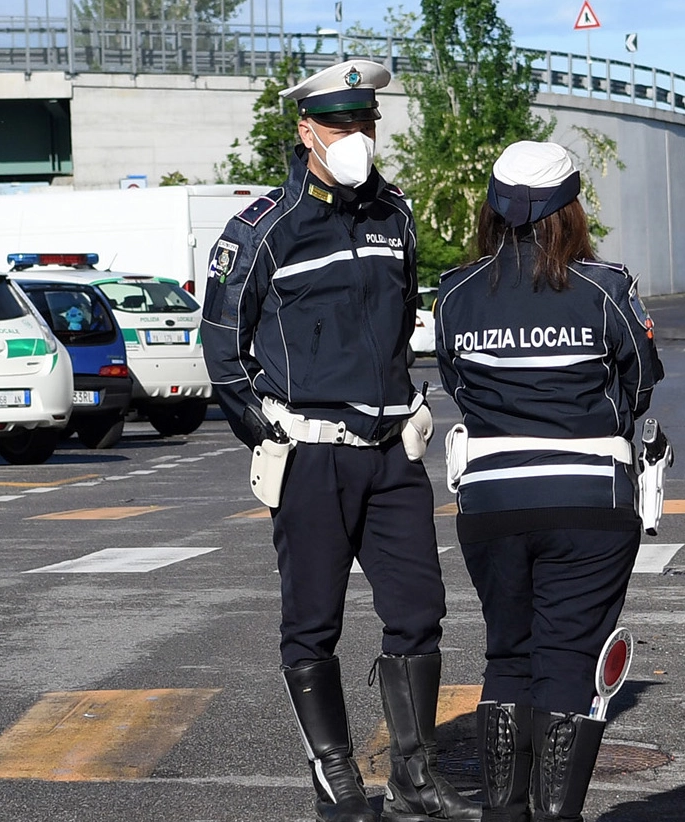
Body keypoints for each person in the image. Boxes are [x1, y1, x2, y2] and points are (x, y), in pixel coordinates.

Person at [202, 60, 479, 822]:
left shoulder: (395, 215)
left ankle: (414, 778)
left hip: (393, 452)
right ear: (305, 131)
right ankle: (335, 779)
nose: (356, 136)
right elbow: (223, 350)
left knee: (419, 611)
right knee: (312, 621)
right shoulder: (261, 230)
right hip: (311, 454)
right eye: (339, 123)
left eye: (365, 122)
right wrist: (268, 436)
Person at [432, 140, 665, 822]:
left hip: (490, 500)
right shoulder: (605, 287)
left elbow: (457, 384)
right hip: (589, 501)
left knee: (507, 656)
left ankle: (504, 816)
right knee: (569, 665)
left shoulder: (456, 293)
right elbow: (642, 379)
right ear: (569, 211)